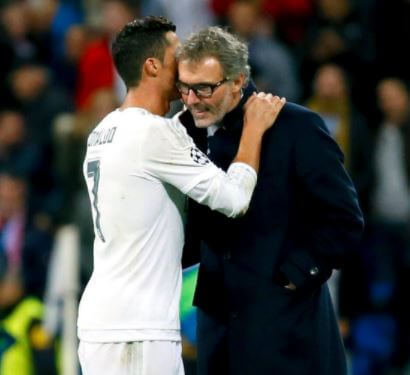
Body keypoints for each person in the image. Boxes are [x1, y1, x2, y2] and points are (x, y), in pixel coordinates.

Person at [76, 16, 285, 375]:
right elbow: (234, 199)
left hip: (104, 322)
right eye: (177, 53)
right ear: (153, 65)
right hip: (138, 331)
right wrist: (254, 127)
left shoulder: (104, 129)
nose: (187, 59)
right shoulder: (154, 134)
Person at [178, 26, 364, 375]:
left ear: (238, 81)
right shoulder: (185, 132)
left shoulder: (297, 126)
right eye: (184, 87)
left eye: (203, 87)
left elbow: (344, 221)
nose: (190, 98)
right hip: (219, 334)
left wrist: (292, 278)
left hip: (288, 331)